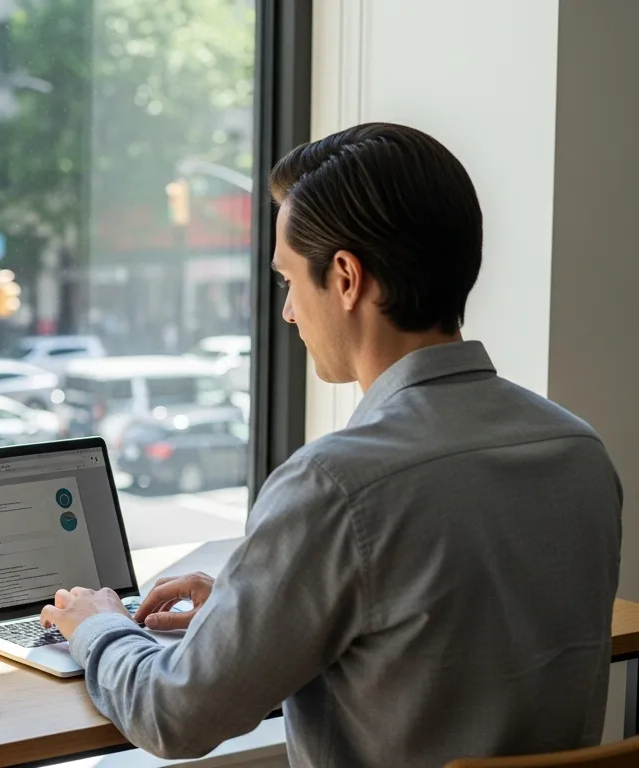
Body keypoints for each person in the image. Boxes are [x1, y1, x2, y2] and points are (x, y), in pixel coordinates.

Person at [39, 123, 623, 766]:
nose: (288, 312)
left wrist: (96, 626)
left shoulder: (337, 484)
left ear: (346, 278)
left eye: (289, 280)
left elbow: (173, 718)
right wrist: (251, 611)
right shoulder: (578, 451)